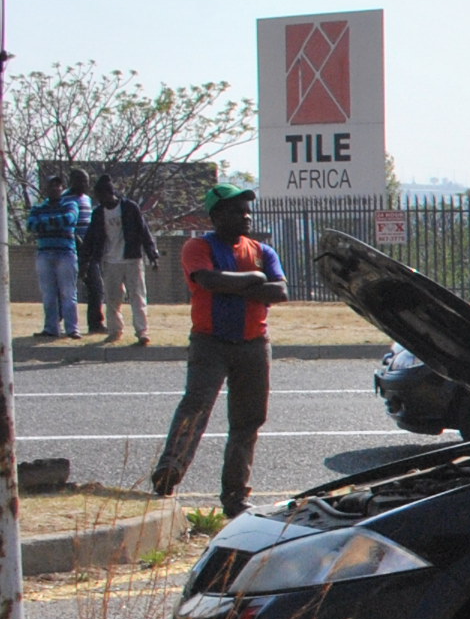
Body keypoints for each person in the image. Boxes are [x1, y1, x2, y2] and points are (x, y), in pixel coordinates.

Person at [150, 181, 289, 519]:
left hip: (254, 344)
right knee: (196, 407)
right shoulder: (198, 247)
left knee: (247, 422)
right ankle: (170, 470)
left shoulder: (262, 250)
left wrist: (237, 284)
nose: (246, 216)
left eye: (247, 211)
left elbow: (280, 292)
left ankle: (235, 495)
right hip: (210, 342)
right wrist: (255, 279)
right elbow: (208, 281)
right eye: (237, 211)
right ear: (216, 216)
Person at [83, 174, 158, 344]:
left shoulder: (130, 208)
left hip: (132, 259)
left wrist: (152, 254)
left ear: (109, 193)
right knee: (112, 299)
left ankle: (142, 332)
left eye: (101, 195)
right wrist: (85, 261)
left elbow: (144, 231)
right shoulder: (98, 213)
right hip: (110, 261)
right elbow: (90, 238)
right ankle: (115, 330)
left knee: (137, 296)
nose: (99, 200)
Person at [26, 173, 89, 340]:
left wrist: (45, 223)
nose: (55, 188)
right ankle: (51, 328)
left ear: (62, 188)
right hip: (44, 254)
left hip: (65, 254)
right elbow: (31, 225)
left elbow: (69, 219)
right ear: (46, 189)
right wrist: (54, 222)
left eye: (58, 185)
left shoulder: (70, 204)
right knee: (48, 294)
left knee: (68, 293)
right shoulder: (38, 208)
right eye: (52, 185)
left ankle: (72, 329)